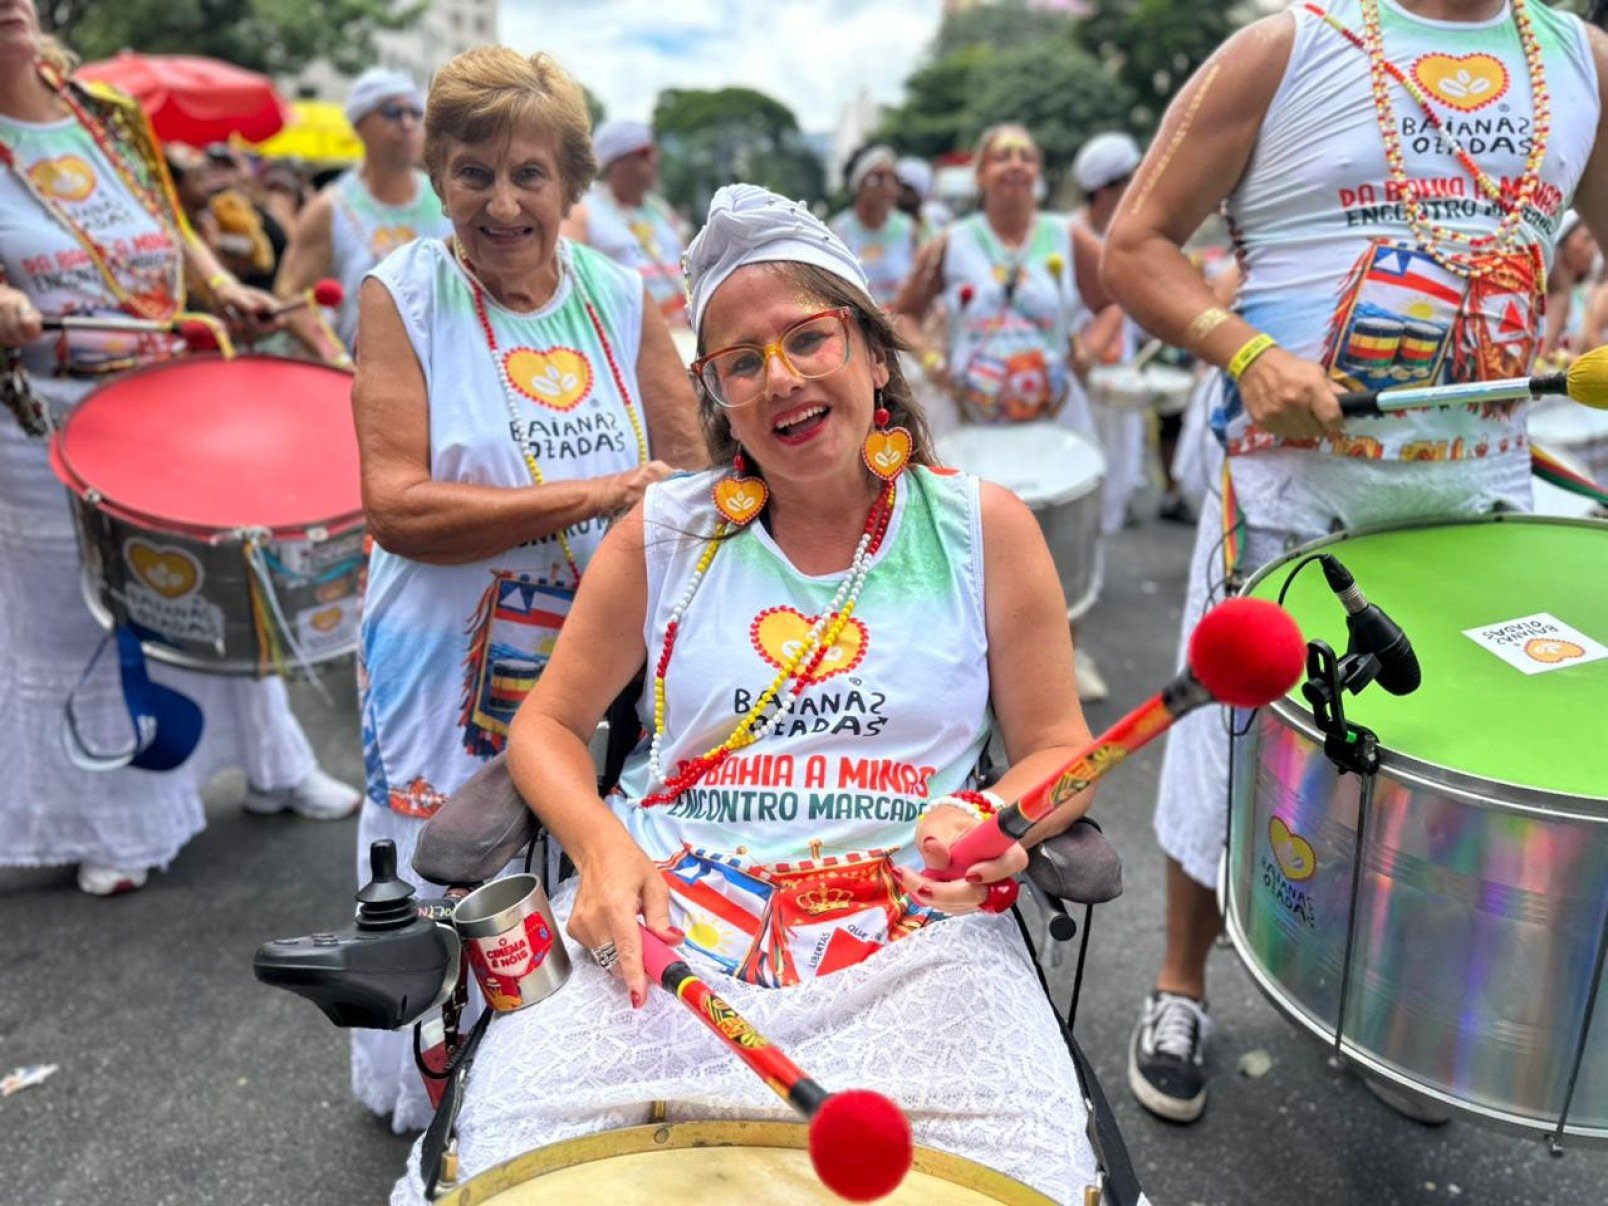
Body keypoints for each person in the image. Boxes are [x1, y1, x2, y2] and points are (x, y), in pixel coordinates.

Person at [383, 181, 1101, 1205]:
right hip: (665, 936)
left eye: (808, 340)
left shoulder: (983, 527)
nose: (780, 380)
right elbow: (544, 725)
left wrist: (995, 813)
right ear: (714, 392)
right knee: (512, 1170)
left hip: (918, 946)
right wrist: (600, 848)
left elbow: (1060, 749)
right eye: (740, 363)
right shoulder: (664, 532)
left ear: (871, 351)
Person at [1102, 0, 1606, 1124]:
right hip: (1294, 501)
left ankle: (1379, 1012)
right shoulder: (1284, 48)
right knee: (1228, 756)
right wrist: (1246, 347)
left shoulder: (1585, 62)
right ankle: (1180, 981)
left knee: (1437, 772)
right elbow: (1131, 247)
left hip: (1479, 506)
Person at [349, 46, 705, 1131]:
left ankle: (551, 1103)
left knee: (578, 859)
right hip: (443, 652)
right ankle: (436, 1101)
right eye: (472, 173)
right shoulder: (403, 295)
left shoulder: (616, 291)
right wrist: (593, 493)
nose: (502, 203)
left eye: (530, 176)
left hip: (592, 655)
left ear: (572, 184)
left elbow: (688, 475)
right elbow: (397, 506)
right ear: (436, 175)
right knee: (449, 870)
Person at [0, 9, 360, 897]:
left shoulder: (103, 111)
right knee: (87, 617)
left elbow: (169, 222)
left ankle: (275, 765)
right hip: (48, 415)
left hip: (167, 394)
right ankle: (116, 821)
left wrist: (224, 286)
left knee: (226, 577)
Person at [892, 124, 1114, 702]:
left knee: (1063, 536)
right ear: (983, 174)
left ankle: (1070, 653)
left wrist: (1090, 350)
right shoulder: (951, 242)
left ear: (1038, 174)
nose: (1014, 165)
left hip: (1055, 417)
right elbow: (902, 315)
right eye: (1002, 156)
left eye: (1026, 155)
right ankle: (981, 662)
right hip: (974, 421)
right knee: (974, 541)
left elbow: (1114, 300)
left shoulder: (1069, 236)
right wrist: (936, 361)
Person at [275, 67, 449, 361]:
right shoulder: (331, 208)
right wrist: (334, 357)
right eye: (392, 112)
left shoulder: (447, 199)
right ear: (359, 125)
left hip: (442, 374)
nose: (407, 124)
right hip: (360, 378)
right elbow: (291, 296)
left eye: (415, 113)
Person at [1070, 131, 1154, 533]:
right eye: (1131, 180)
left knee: (1118, 474)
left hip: (1120, 377)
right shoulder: (1065, 236)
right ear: (1106, 188)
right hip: (1078, 382)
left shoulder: (1137, 235)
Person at [561, 119, 690, 328]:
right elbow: (566, 283)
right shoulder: (582, 211)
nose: (655, 159)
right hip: (629, 337)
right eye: (645, 152)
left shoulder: (662, 210)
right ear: (616, 162)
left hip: (684, 333)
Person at [830, 144, 916, 308]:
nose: (888, 186)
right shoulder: (839, 231)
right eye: (878, 178)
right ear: (859, 184)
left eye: (894, 178)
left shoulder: (908, 229)